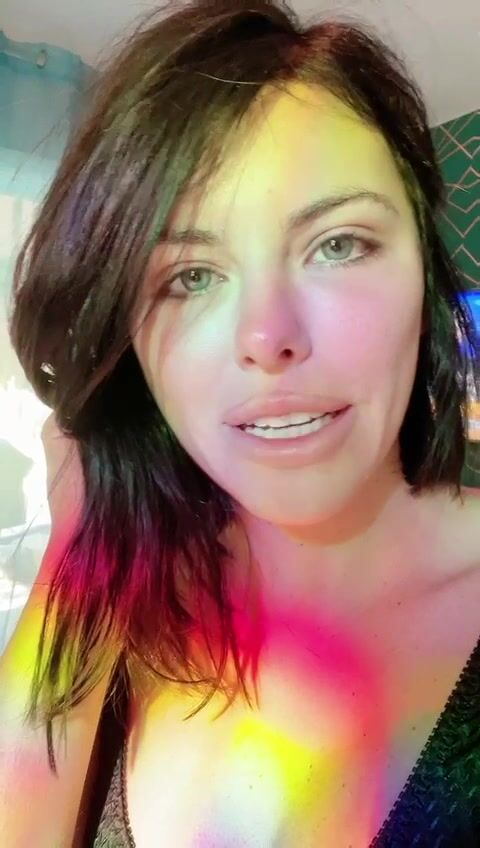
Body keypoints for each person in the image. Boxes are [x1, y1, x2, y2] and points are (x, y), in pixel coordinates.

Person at [4, 0, 480, 845]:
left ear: (423, 270)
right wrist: (81, 546)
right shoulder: (124, 586)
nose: (268, 338)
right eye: (188, 276)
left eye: (338, 244)